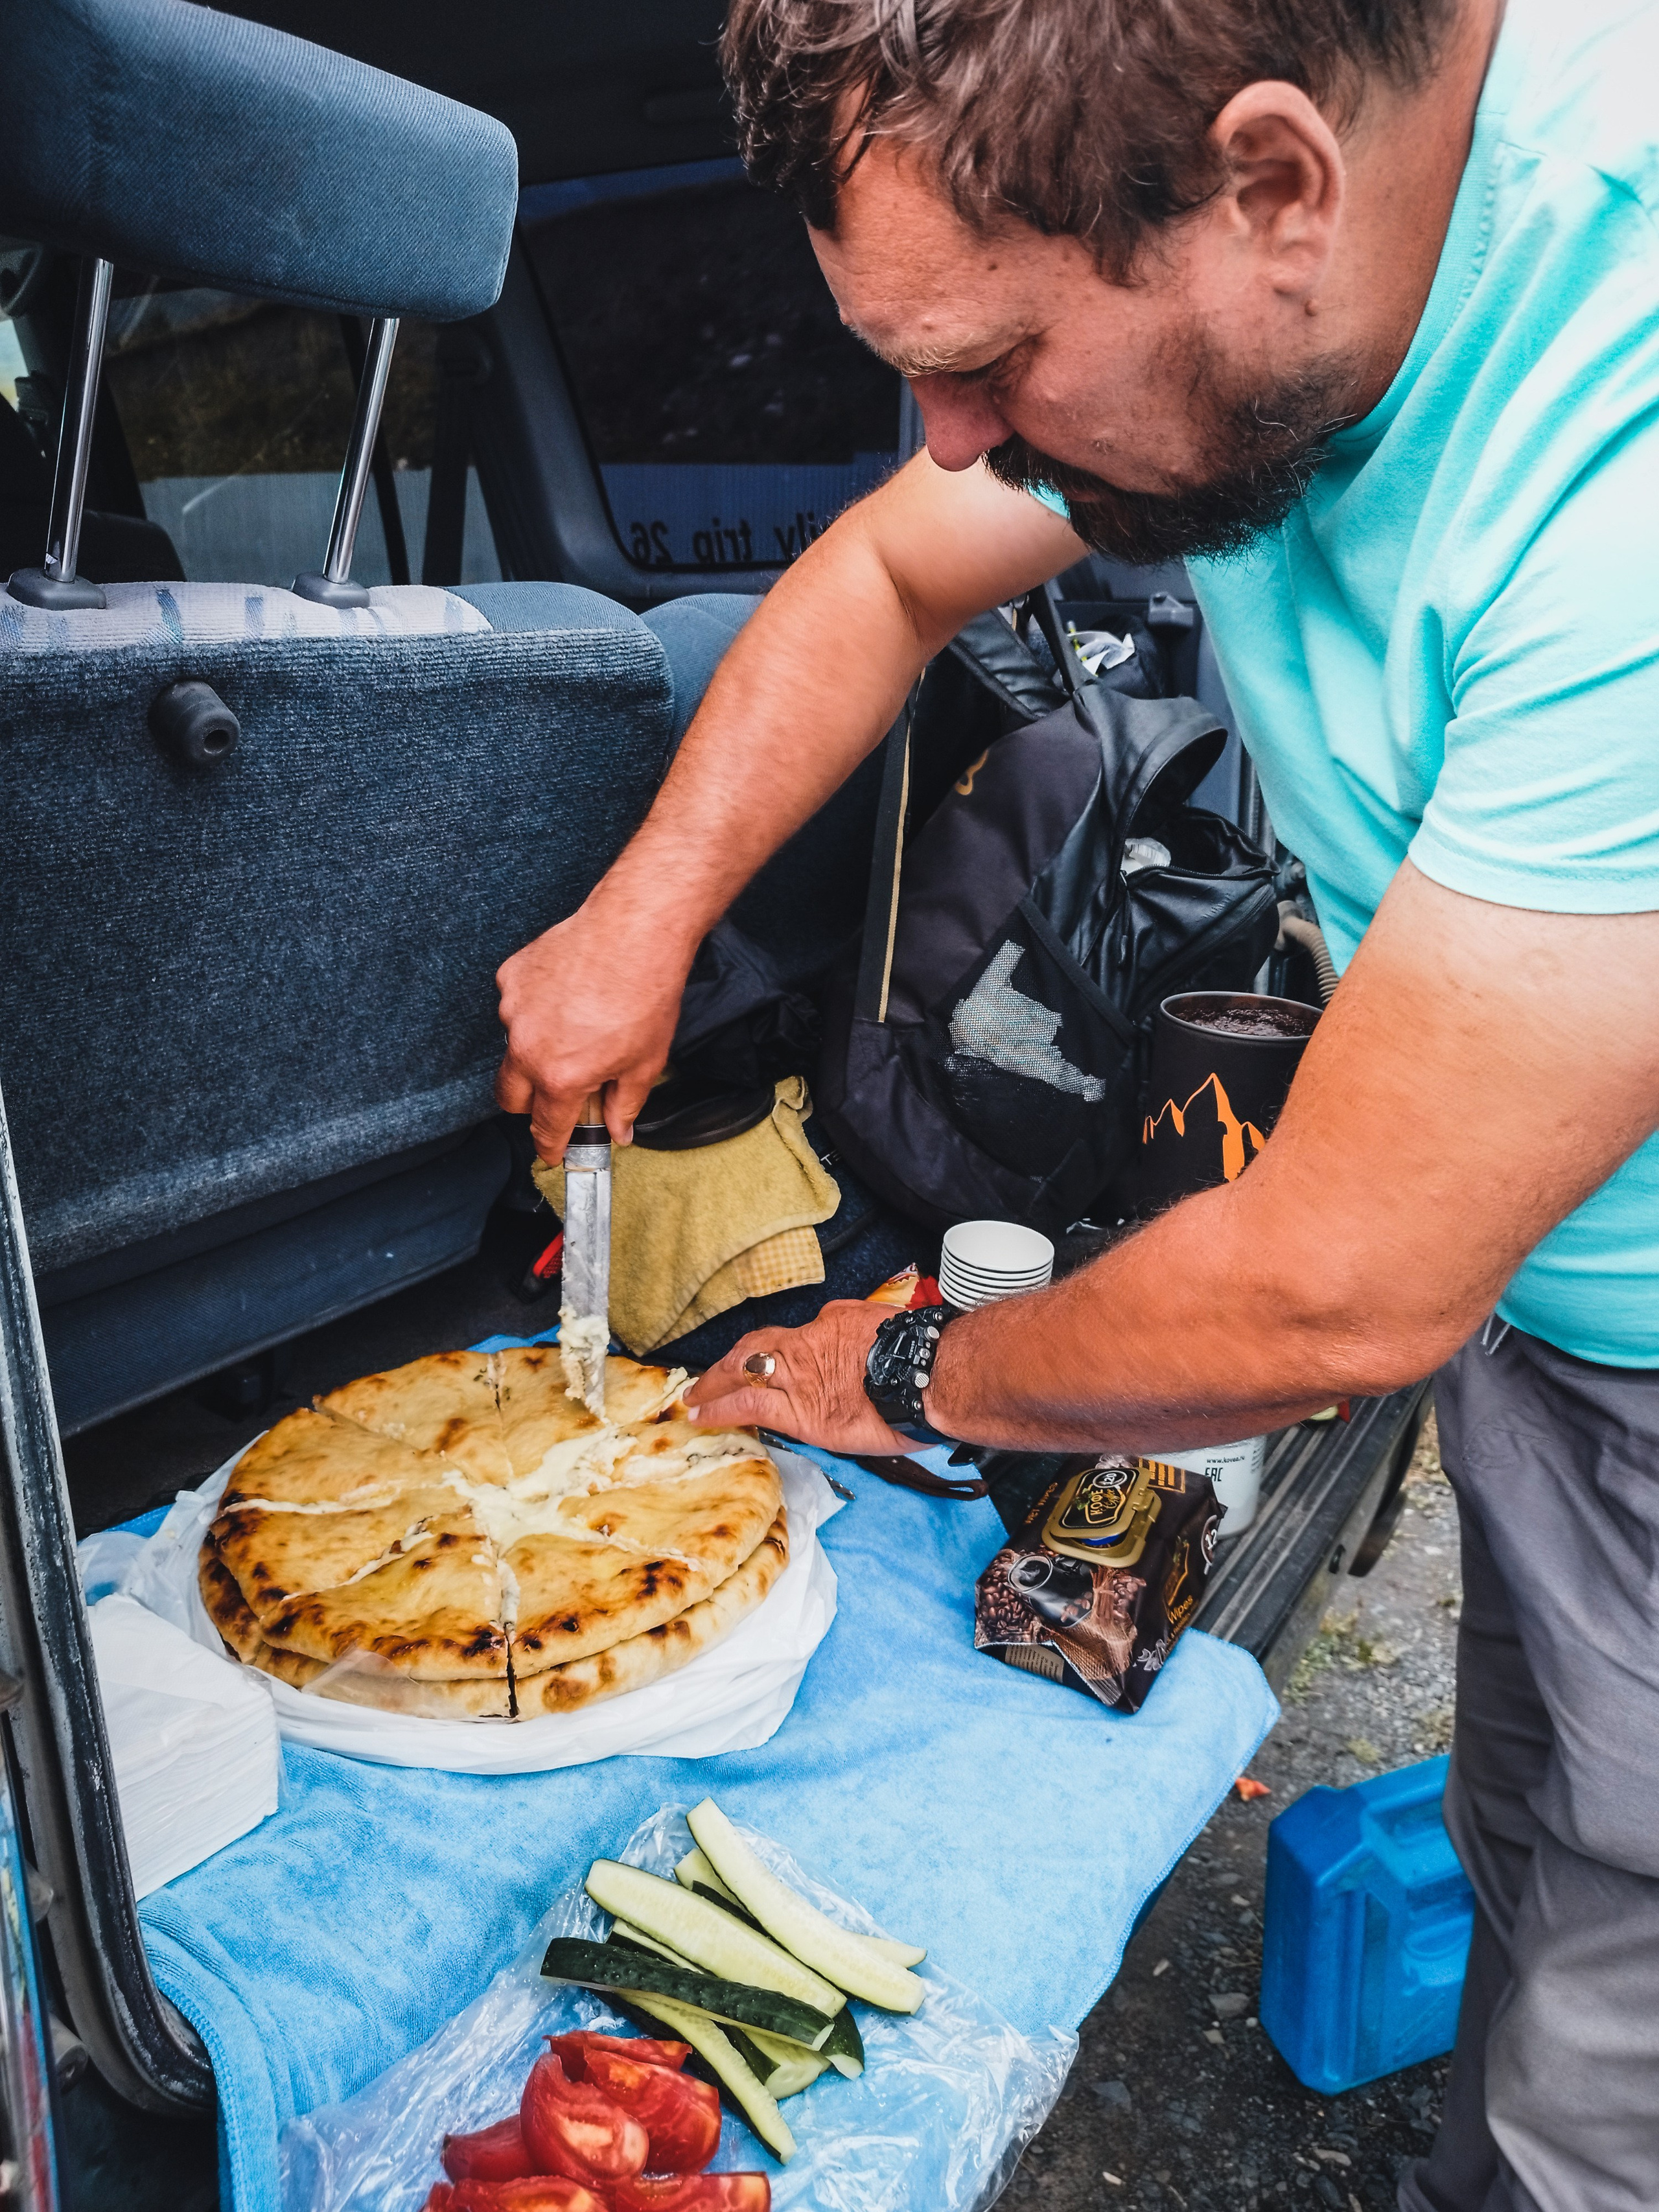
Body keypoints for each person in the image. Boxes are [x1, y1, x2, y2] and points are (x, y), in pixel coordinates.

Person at [494, 0, 1659, 2201]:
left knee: (1612, 2054)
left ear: (1274, 186)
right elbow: (885, 567)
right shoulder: (1275, 278)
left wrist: (910, 1369)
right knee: (1532, 1812)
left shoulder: (1626, 444)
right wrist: (648, 908)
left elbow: (1341, 1286)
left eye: (995, 361)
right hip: (1549, 1280)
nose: (948, 440)